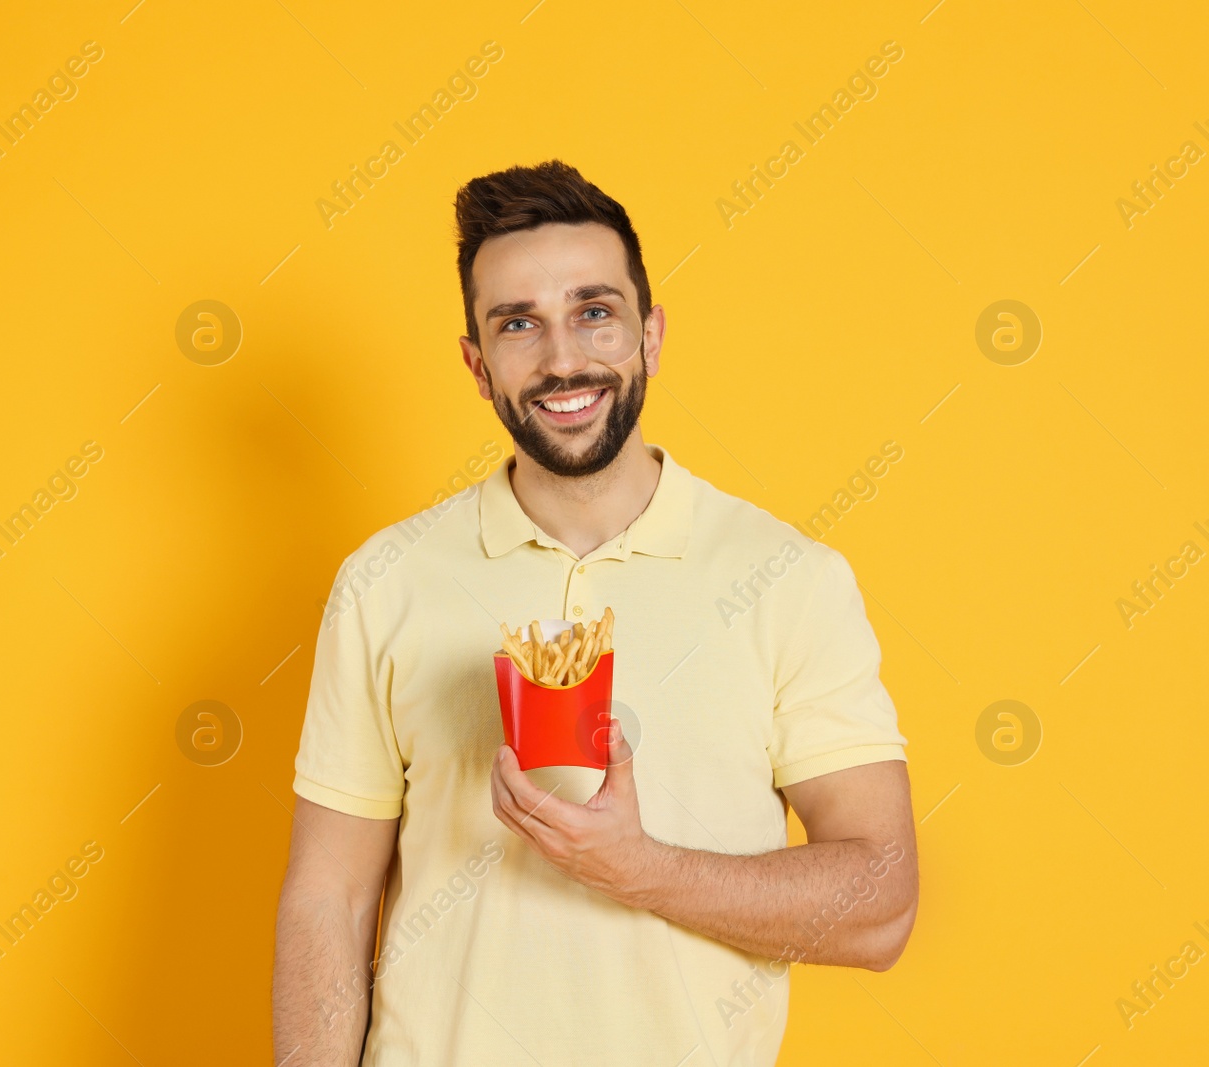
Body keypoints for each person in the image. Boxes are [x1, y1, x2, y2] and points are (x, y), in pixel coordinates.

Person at [271, 159, 917, 1065]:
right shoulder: (386, 580)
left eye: (594, 312)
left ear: (650, 335)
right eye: (518, 324)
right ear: (477, 363)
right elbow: (327, 899)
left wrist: (639, 868)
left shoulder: (786, 578)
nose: (563, 358)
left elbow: (880, 904)